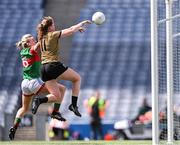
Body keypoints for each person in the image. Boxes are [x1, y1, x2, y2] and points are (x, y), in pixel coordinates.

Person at [9, 34, 66, 140]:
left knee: (24, 108)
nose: (34, 40)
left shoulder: (23, 52)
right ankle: (50, 108)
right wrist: (45, 36)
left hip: (25, 83)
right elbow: (37, 46)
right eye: (32, 39)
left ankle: (14, 127)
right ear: (28, 43)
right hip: (34, 82)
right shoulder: (31, 49)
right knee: (60, 91)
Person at [34, 16, 91, 117]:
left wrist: (76, 29)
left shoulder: (41, 37)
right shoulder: (52, 34)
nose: (55, 26)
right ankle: (73, 105)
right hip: (53, 65)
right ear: (50, 27)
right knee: (77, 79)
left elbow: (35, 48)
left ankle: (40, 100)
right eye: (53, 24)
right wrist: (81, 24)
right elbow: (70, 30)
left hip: (43, 69)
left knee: (56, 96)